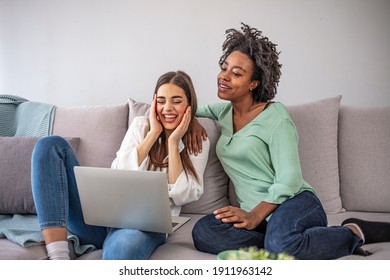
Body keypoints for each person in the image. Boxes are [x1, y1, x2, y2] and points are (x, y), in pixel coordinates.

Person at [189, 23, 390, 260]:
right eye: (224, 68)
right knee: (203, 232)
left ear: (254, 83)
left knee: (280, 244)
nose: (224, 76)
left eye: (237, 73)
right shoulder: (222, 113)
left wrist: (254, 216)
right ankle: (283, 244)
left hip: (295, 204)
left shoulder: (275, 116)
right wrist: (190, 120)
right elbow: (185, 108)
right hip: (258, 218)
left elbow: (290, 179)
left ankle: (352, 231)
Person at [31, 70, 210, 260]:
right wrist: (152, 135)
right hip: (100, 220)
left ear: (189, 105)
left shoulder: (197, 140)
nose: (167, 108)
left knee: (122, 251)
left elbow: (184, 194)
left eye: (176, 101)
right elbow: (121, 172)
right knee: (49, 145)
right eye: (162, 101)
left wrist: (173, 143)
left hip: (144, 225)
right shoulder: (141, 126)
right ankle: (58, 259)